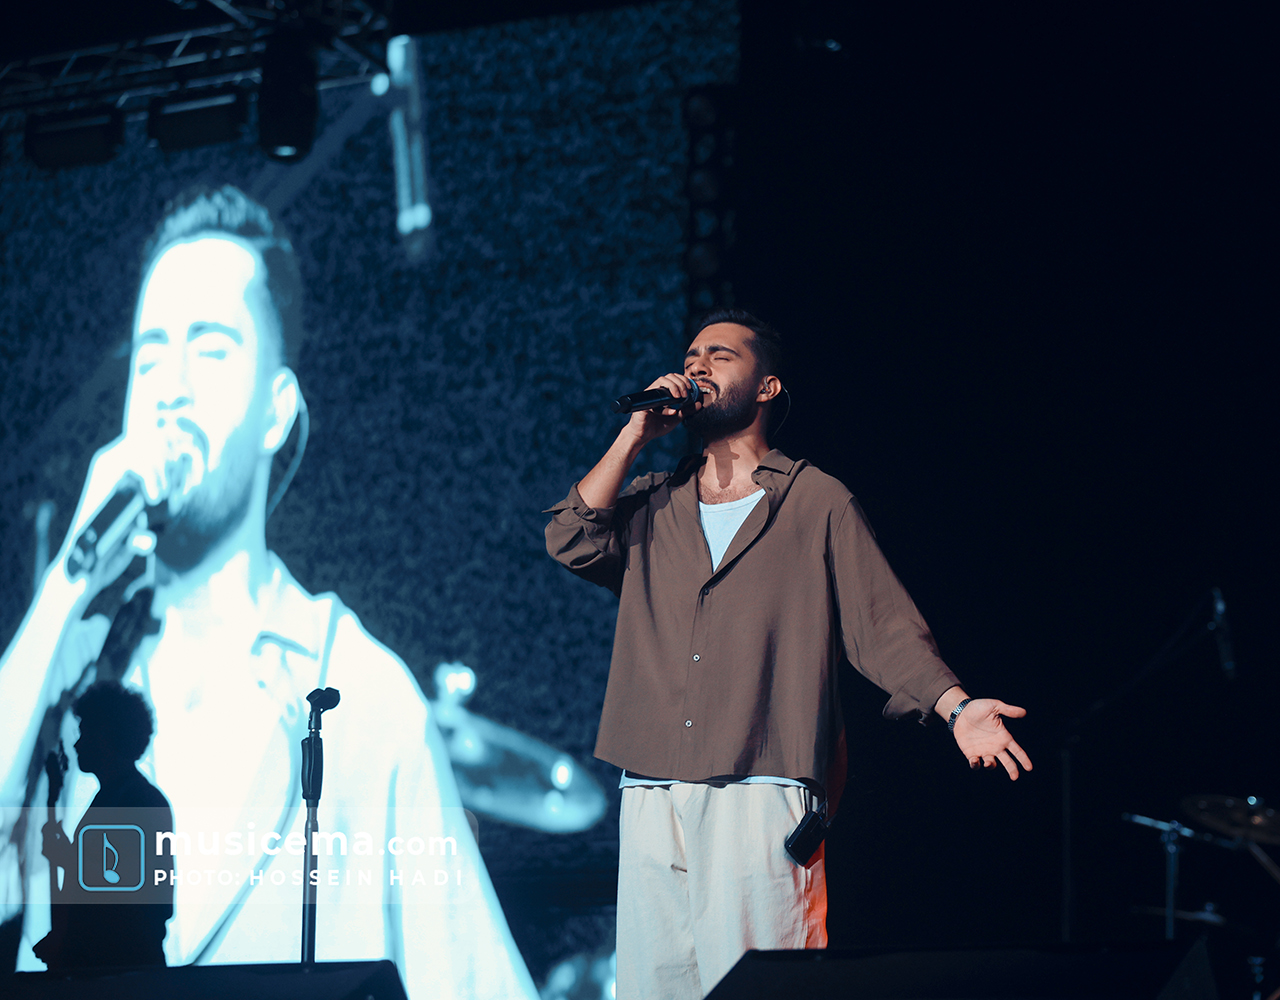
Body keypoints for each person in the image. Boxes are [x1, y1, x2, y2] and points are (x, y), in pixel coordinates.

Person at [0, 185, 537, 999]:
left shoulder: (358, 694)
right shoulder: (65, 680)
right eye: (150, 357)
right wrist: (60, 594)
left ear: (278, 410)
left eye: (211, 349)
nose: (170, 388)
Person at [544, 308, 1032, 999]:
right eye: (691, 356)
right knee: (657, 986)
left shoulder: (815, 501)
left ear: (767, 387)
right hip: (651, 783)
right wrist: (635, 436)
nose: (697, 366)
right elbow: (571, 538)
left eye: (720, 356)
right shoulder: (654, 503)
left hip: (759, 780)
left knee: (759, 986)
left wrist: (957, 709)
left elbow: (882, 626)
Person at [34, 681, 173, 970]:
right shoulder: (117, 798)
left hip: (124, 976)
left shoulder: (141, 801)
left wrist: (68, 859)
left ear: (107, 735)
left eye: (85, 732)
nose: (77, 744)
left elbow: (132, 897)